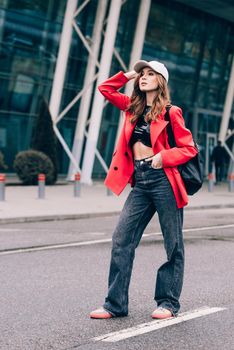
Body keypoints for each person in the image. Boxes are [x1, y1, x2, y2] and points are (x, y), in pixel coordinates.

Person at [90, 60, 198, 320]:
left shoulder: (172, 112)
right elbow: (105, 89)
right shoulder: (132, 108)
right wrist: (130, 74)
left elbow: (189, 148)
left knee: (173, 244)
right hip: (140, 181)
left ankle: (168, 302)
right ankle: (115, 304)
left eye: (150, 74)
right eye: (142, 74)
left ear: (161, 80)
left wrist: (165, 157)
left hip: (164, 180)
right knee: (121, 239)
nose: (144, 78)